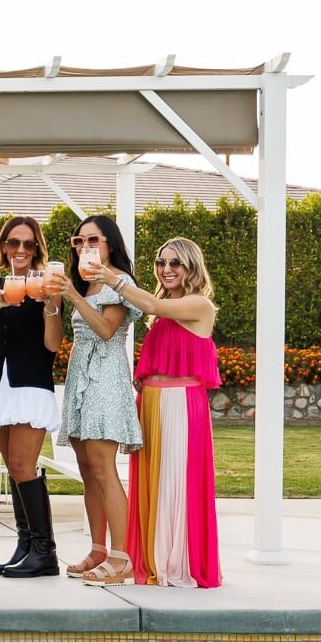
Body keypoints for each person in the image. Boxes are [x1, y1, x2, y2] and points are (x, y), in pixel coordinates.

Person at [99, 238, 222, 588]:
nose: (166, 269)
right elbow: (151, 305)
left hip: (180, 405)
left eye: (175, 264)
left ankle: (174, 560)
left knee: (174, 481)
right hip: (152, 403)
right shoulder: (161, 308)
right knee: (152, 481)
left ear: (191, 267)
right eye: (161, 262)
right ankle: (152, 555)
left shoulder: (199, 305)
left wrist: (111, 277)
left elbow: (149, 301)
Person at [55, 214, 143, 586]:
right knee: (87, 469)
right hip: (80, 379)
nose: (85, 247)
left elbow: (108, 331)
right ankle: (98, 549)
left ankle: (121, 558)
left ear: (110, 243)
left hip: (106, 378)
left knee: (104, 468)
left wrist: (72, 295)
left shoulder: (119, 282)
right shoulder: (86, 285)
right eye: (79, 241)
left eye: (93, 240)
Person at [0, 215, 64, 579]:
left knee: (23, 467)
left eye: (29, 244)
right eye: (14, 243)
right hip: (1, 385)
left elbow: (53, 344)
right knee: (14, 469)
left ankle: (45, 551)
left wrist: (50, 304)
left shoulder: (49, 286)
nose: (21, 250)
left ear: (38, 249)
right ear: (4, 247)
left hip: (30, 386)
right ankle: (25, 544)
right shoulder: (0, 285)